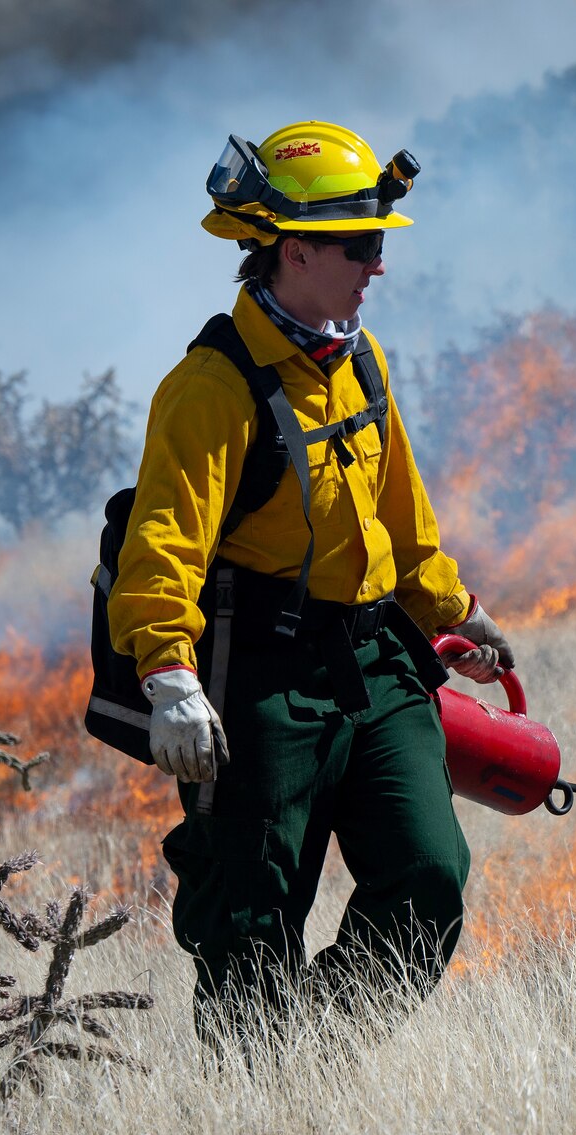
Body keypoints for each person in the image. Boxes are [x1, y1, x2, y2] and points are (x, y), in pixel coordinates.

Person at [107, 120, 514, 1043]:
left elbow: (402, 521)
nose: (379, 266)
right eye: (362, 245)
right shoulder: (213, 386)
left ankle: (320, 1057)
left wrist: (462, 614)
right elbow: (163, 541)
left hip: (373, 665)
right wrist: (169, 676)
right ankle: (258, 1101)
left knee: (427, 873)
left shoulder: (359, 357)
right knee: (251, 922)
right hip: (258, 676)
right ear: (295, 251)